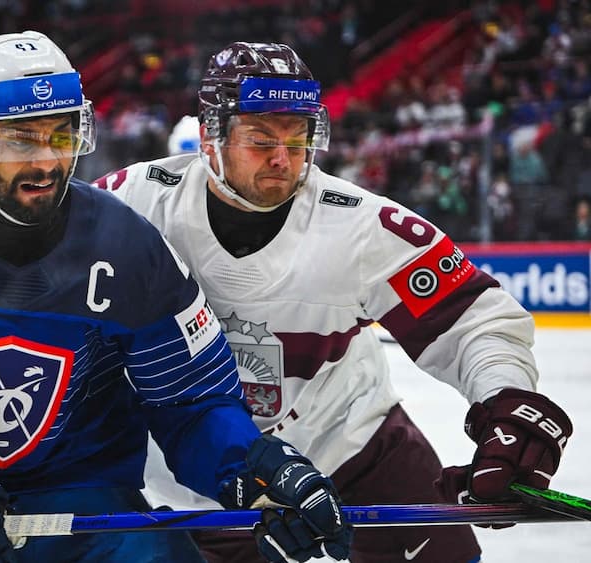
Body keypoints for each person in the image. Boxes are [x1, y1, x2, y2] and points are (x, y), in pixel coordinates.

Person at [0, 31, 351, 563]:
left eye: (61, 134)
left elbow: (193, 403)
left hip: (88, 505)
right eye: (19, 139)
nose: (46, 161)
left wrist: (253, 468)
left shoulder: (130, 247)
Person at [89, 42, 573, 563]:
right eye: (260, 139)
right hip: (197, 474)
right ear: (211, 136)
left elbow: (472, 319)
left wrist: (507, 400)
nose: (284, 158)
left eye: (299, 138)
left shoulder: (359, 226)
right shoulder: (133, 204)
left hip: (352, 442)